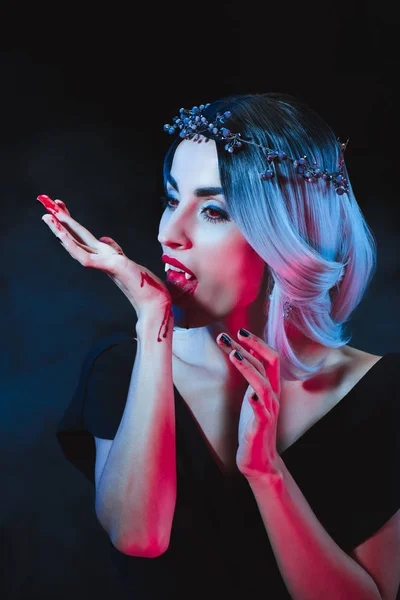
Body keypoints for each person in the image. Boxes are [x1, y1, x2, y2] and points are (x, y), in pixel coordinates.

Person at [44, 92, 399, 599]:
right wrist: (152, 322)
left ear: (286, 233)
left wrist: (265, 471)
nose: (170, 232)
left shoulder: (384, 395)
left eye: (213, 211)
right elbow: (137, 536)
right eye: (172, 199)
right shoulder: (122, 368)